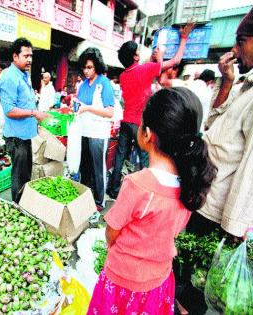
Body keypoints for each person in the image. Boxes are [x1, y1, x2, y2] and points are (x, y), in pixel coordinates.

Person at [88, 87, 216, 315]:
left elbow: (112, 232)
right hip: (159, 280)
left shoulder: (137, 184)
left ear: (147, 134)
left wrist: (112, 244)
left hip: (122, 280)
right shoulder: (189, 182)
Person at [177, 5, 253, 314]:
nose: (236, 50)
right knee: (184, 271)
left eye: (243, 41)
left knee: (197, 284)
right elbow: (212, 124)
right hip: (204, 195)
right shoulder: (245, 83)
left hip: (218, 212)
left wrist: (233, 228)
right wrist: (226, 82)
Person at [106, 23, 195, 199]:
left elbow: (143, 72)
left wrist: (155, 61)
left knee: (120, 158)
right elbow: (175, 61)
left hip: (126, 122)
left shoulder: (124, 75)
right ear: (136, 56)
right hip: (141, 125)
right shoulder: (145, 70)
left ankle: (113, 189)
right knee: (145, 161)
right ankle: (143, 194)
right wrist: (181, 40)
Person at [0, 37, 49, 203]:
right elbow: (10, 110)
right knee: (19, 177)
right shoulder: (8, 77)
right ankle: (18, 207)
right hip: (16, 137)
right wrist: (34, 113)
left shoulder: (23, 74)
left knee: (26, 173)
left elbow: (24, 101)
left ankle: (24, 204)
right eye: (26, 56)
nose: (29, 60)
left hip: (25, 135)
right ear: (15, 56)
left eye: (31, 56)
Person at [74, 47, 115, 210]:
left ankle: (99, 201)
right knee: (84, 167)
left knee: (98, 169)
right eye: (84, 67)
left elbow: (110, 112)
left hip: (99, 133)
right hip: (84, 131)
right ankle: (84, 196)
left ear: (97, 66)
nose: (86, 70)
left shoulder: (104, 84)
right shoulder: (82, 85)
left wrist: (88, 108)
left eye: (89, 67)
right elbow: (80, 106)